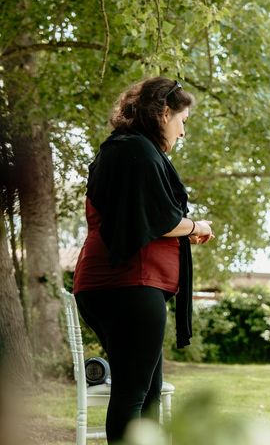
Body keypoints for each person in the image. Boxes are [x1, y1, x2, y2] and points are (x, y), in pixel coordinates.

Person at [73, 77, 214, 443]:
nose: (182, 133)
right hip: (130, 285)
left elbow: (140, 218)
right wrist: (196, 224)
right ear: (164, 112)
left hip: (107, 284)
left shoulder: (120, 150)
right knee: (133, 393)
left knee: (146, 390)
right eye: (183, 121)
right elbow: (160, 218)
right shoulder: (138, 152)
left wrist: (183, 231)